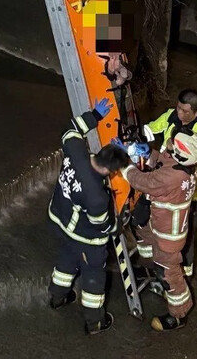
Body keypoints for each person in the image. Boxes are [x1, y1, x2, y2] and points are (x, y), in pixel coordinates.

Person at [48, 97, 129, 335]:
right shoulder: (97, 197)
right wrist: (117, 226)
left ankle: (57, 297)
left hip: (59, 218)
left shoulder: (76, 151)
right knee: (93, 272)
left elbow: (70, 130)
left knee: (67, 258)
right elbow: (101, 225)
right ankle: (94, 321)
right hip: (84, 236)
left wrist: (94, 116)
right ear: (112, 172)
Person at [120, 128, 197, 331]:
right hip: (162, 225)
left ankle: (179, 313)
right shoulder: (186, 168)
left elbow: (143, 181)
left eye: (172, 145)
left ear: (180, 153)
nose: (168, 144)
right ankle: (152, 268)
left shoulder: (170, 178)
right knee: (143, 230)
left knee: (169, 274)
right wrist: (149, 154)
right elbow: (166, 162)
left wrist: (125, 165)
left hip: (168, 236)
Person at [143, 89, 197, 276]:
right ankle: (154, 262)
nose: (180, 114)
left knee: (186, 231)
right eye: (178, 108)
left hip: (187, 191)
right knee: (159, 223)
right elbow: (153, 128)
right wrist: (141, 136)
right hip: (166, 181)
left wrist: (191, 197)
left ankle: (185, 269)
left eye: (186, 111)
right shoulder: (171, 116)